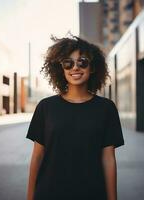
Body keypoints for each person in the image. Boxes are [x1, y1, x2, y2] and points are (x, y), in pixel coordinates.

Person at [26, 35, 124, 200]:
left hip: (92, 193)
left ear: (92, 67)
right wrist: (30, 197)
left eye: (82, 62)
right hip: (49, 193)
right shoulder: (46, 107)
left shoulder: (106, 108)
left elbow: (108, 159)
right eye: (68, 63)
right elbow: (37, 156)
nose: (75, 68)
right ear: (61, 68)